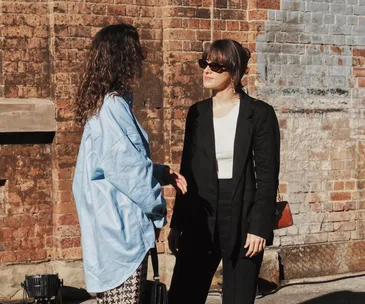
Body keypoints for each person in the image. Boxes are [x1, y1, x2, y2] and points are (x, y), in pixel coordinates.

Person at [72, 23, 187, 304]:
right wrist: (158, 211)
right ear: (122, 57)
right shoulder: (112, 108)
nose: (142, 59)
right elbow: (129, 172)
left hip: (114, 232)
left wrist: (161, 173)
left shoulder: (108, 105)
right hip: (120, 236)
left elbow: (121, 162)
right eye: (138, 52)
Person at [167, 39, 280, 304]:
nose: (207, 70)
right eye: (204, 63)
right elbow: (187, 171)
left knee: (239, 297)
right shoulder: (197, 113)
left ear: (234, 72)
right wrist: (177, 223)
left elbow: (267, 175)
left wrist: (259, 227)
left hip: (242, 213)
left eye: (216, 65)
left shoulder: (260, 114)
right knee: (183, 295)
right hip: (200, 211)